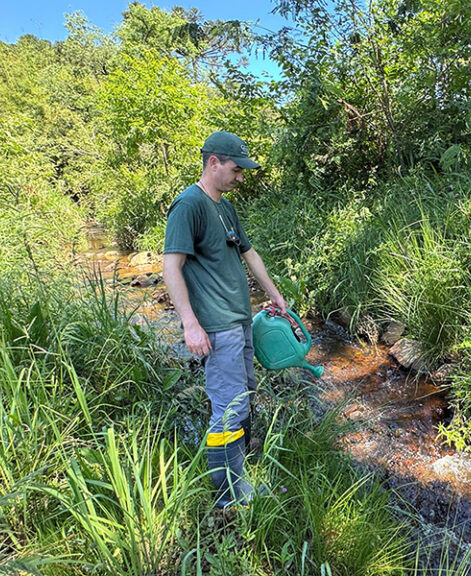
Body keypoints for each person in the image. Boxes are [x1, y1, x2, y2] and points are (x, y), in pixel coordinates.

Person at [162, 131, 286, 507]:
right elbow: (170, 266)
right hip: (216, 327)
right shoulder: (189, 205)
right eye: (236, 169)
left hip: (241, 320)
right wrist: (190, 324)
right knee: (228, 409)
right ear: (213, 162)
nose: (241, 177)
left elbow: (249, 254)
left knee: (244, 395)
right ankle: (228, 493)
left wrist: (274, 293)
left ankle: (239, 468)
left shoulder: (224, 207)